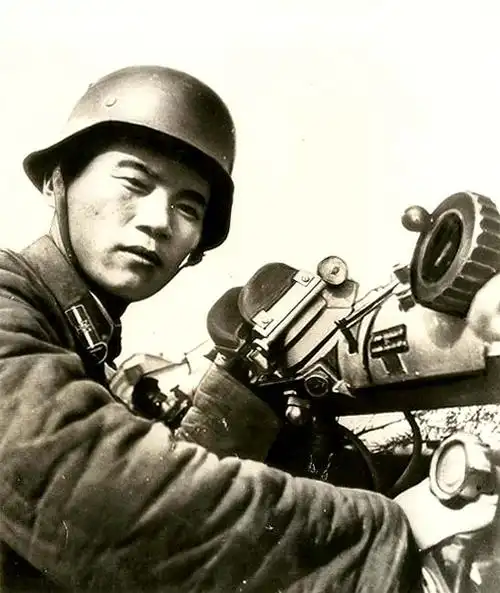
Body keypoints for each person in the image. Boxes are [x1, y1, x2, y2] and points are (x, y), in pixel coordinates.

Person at [0, 63, 488, 593]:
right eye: (134, 183)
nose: (159, 220)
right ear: (57, 181)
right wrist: (389, 534)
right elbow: (111, 503)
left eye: (188, 207)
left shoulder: (79, 341)